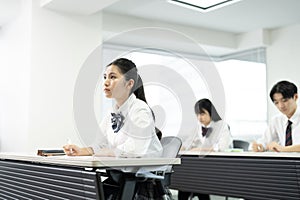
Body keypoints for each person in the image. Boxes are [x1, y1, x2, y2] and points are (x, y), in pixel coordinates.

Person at [63, 58, 163, 198]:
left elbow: (136, 149)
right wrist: (81, 151)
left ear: (129, 84)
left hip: (141, 183)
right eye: (105, 77)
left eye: (113, 77)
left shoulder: (140, 110)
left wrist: (110, 152)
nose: (106, 82)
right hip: (121, 177)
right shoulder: (113, 113)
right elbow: (100, 145)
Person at [178, 98, 232, 200]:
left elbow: (221, 147)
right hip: (205, 167)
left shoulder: (222, 126)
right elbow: (188, 144)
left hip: (221, 166)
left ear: (211, 112)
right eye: (197, 114)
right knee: (184, 183)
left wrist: (199, 149)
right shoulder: (199, 127)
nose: (199, 117)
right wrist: (177, 147)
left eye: (202, 114)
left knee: (196, 182)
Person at [253, 80, 300, 152]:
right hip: (284, 162)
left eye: (284, 100)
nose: (281, 106)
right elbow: (265, 141)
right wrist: (260, 146)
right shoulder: (277, 120)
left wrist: (283, 149)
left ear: (295, 97)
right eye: (276, 102)